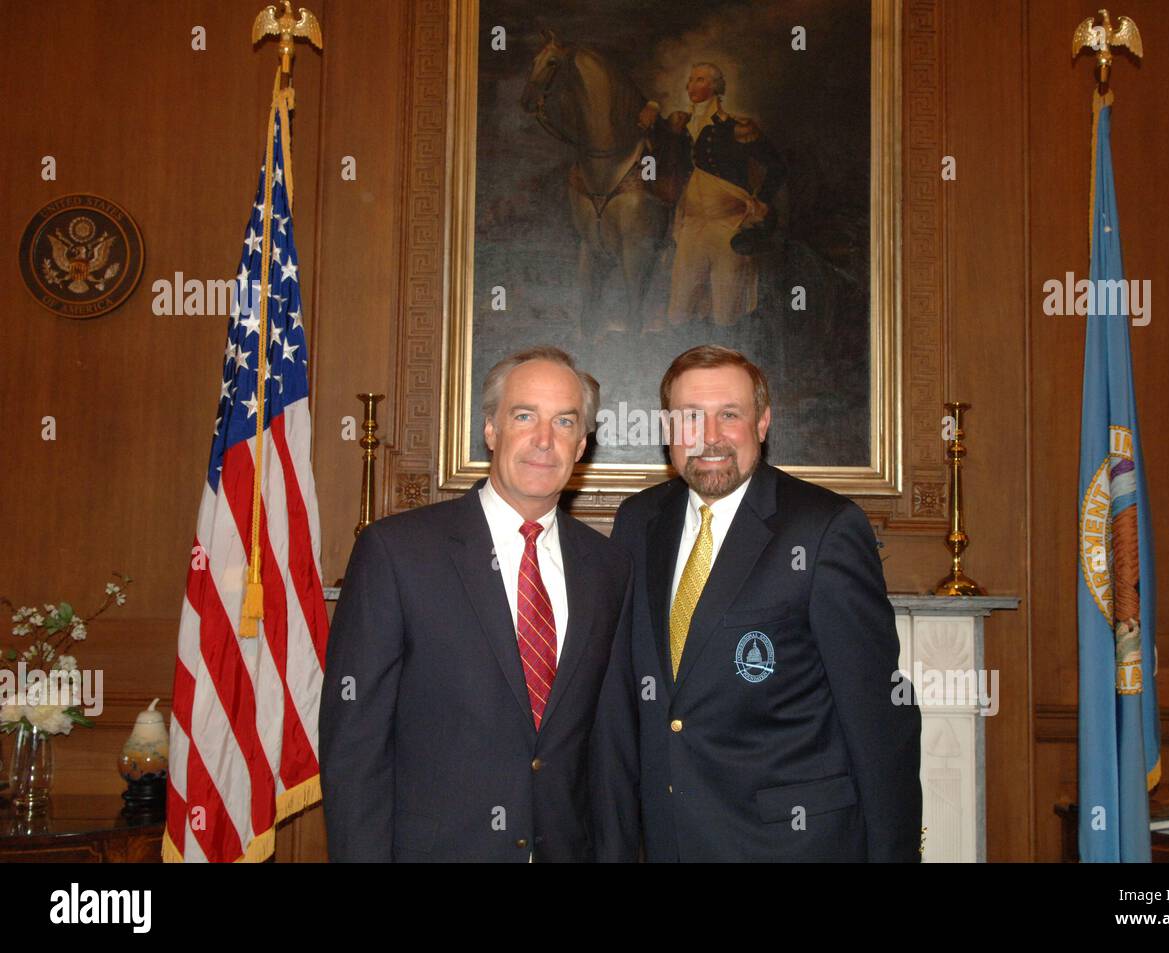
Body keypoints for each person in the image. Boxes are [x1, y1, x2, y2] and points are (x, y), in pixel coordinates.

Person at [593, 345, 921, 861]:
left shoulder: (824, 528)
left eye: (730, 414)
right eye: (690, 417)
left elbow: (880, 717)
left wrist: (893, 853)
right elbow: (620, 704)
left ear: (763, 423)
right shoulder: (638, 523)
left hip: (791, 843)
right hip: (669, 841)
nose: (710, 436)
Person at [320, 346, 630, 861]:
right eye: (524, 416)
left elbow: (609, 743)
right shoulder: (397, 553)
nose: (543, 440)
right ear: (491, 430)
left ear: (581, 446)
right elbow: (355, 746)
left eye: (564, 422)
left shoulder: (608, 568)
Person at [639, 64, 788, 327]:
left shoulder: (736, 127)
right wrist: (652, 105)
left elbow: (776, 167)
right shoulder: (680, 125)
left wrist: (761, 202)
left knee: (725, 311)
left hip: (728, 226)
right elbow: (655, 150)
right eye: (690, 80)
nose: (691, 86)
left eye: (699, 80)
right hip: (692, 224)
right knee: (680, 311)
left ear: (715, 87)